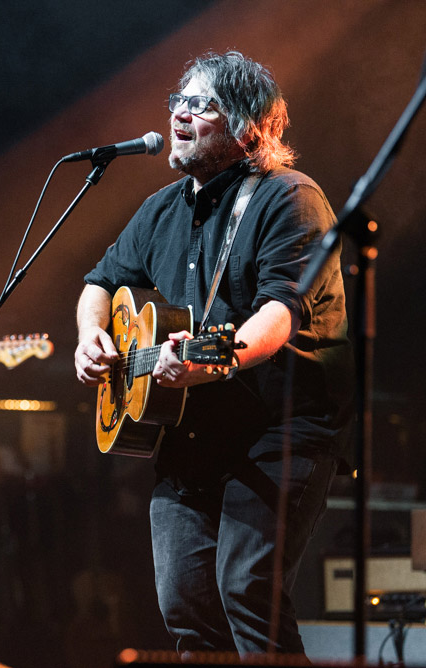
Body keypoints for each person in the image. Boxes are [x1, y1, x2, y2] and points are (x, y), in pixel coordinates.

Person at [73, 51, 354, 656]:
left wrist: (212, 360)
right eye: (179, 101)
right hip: (189, 436)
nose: (179, 114)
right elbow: (100, 282)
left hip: (280, 433)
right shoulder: (162, 208)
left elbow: (279, 314)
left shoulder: (291, 199)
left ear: (249, 127)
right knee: (185, 606)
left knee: (247, 590)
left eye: (202, 105)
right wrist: (90, 336)